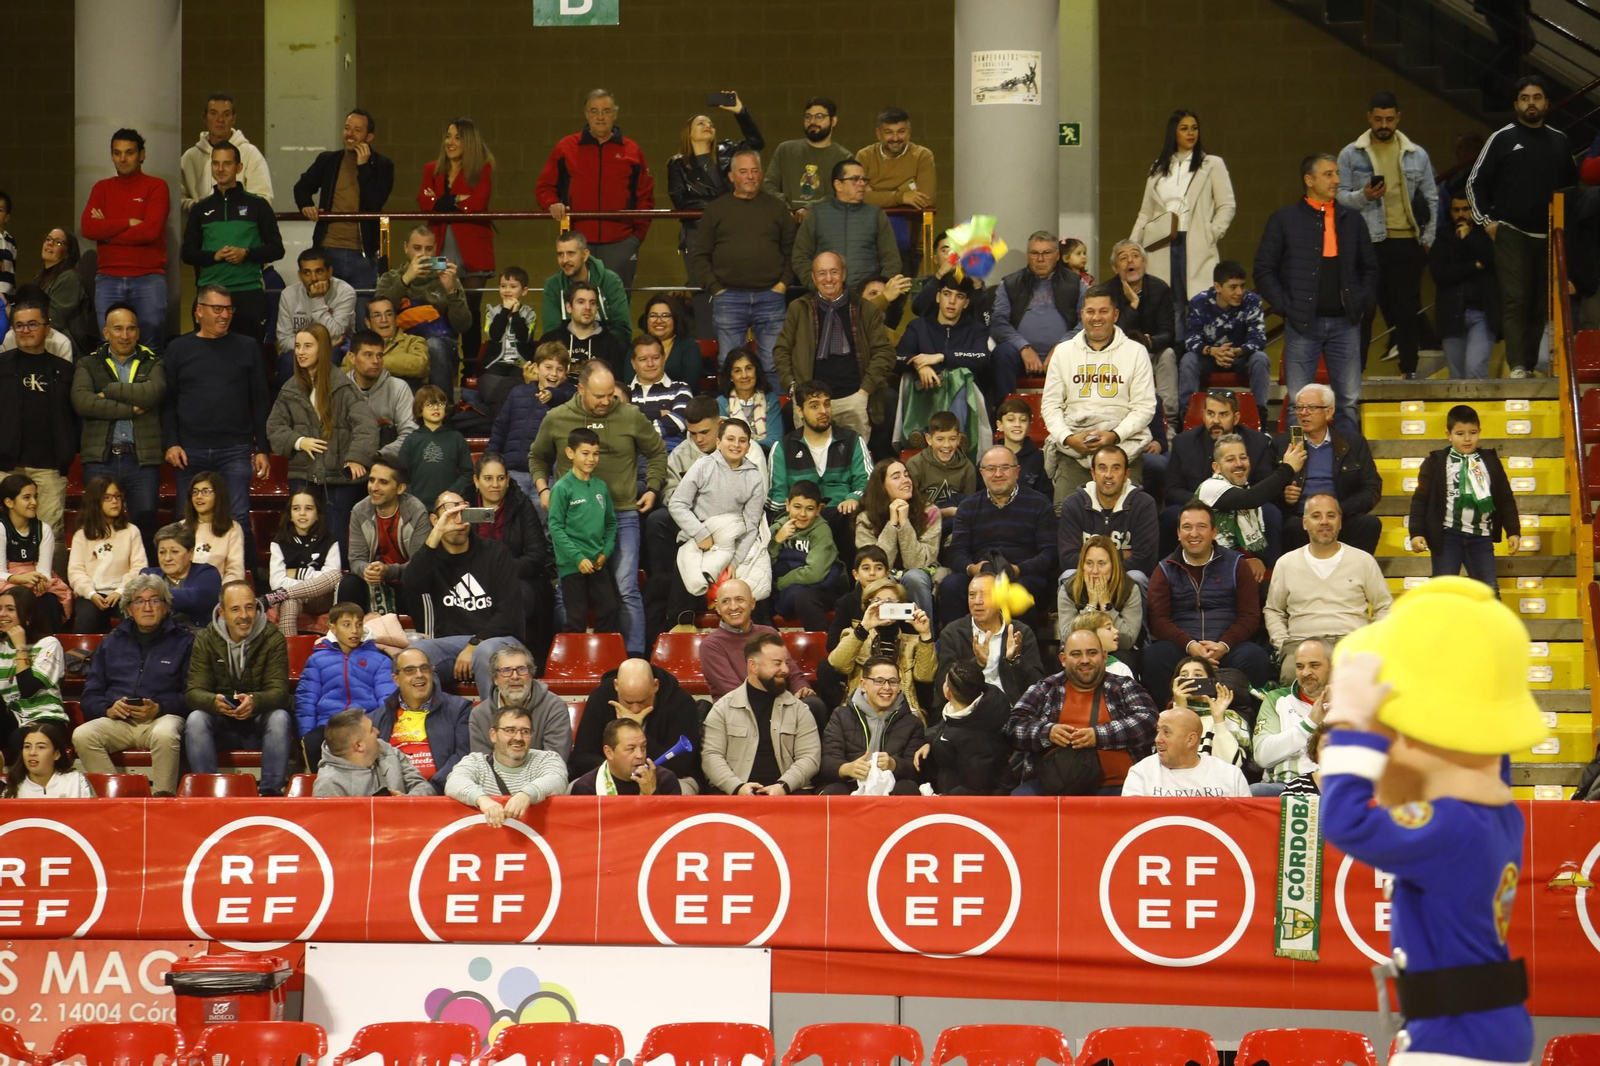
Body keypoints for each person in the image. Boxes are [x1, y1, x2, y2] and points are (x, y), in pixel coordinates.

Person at [1321, 580, 1543, 1066]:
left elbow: (1344, 822)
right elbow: (1481, 736)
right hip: (1487, 1028)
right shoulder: (1499, 816)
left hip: (1455, 1042)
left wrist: (1356, 727)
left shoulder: (1451, 828)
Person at [528, 361, 666, 656]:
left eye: (610, 396)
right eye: (599, 396)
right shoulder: (557, 417)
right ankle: (567, 656)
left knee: (626, 588)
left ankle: (634, 658)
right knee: (567, 589)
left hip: (623, 513)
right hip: (575, 519)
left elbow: (657, 451)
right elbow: (537, 457)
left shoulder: (630, 415)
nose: (606, 402)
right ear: (580, 389)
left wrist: (653, 488)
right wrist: (543, 488)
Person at [1254, 155, 1379, 433]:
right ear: (1309, 181)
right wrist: (1287, 307)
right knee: (1300, 404)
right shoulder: (1284, 220)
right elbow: (1263, 270)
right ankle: (1295, 468)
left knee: (1348, 402)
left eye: (1336, 174)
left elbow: (1369, 268)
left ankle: (1346, 467)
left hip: (1346, 324)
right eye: (1328, 174)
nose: (1337, 180)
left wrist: (1361, 302)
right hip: (1302, 325)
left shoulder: (1352, 220)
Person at [1466, 75, 1578, 378]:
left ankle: (1528, 365)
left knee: (1539, 304)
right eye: (1526, 98)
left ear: (1547, 104)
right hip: (1511, 232)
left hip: (1550, 234)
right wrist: (1487, 222)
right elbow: (1474, 182)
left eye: (1538, 97)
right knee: (1516, 298)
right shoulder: (1501, 138)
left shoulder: (1560, 140)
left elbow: (1573, 187)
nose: (1532, 103)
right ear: (1516, 104)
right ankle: (1517, 366)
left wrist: (1566, 229)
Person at [160, 283, 272, 569]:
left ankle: (249, 581)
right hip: (189, 448)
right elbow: (167, 401)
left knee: (239, 517)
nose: (225, 315)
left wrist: (262, 447)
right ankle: (183, 580)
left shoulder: (246, 346)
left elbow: (260, 400)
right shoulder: (178, 348)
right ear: (199, 311)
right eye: (217, 309)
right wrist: (171, 442)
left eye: (229, 309)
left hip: (235, 448)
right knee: (186, 521)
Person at [1337, 92, 1439, 378]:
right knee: (1363, 309)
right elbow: (1339, 197)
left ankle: (1409, 370)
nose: (1384, 125)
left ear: (1399, 118)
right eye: (1379, 119)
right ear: (1369, 117)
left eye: (1389, 119)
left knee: (1407, 310)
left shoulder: (1416, 155)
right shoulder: (1350, 154)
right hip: (1367, 241)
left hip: (1407, 240)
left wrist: (1427, 239)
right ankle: (1355, 372)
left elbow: (1431, 198)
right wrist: (1365, 195)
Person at [1143, 501, 1270, 708]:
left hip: (1227, 649)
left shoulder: (1237, 565)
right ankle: (1167, 715)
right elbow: (1158, 620)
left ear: (1213, 532)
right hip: (1183, 650)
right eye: (1187, 527)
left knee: (1255, 657)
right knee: (1155, 657)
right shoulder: (1164, 569)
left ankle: (1246, 718)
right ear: (1178, 533)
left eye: (1201, 526)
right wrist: (1190, 645)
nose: (1194, 533)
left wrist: (1223, 645)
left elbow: (1249, 615)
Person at [1006, 628, 1158, 796]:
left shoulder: (1124, 686)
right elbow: (1013, 726)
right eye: (1076, 654)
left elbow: (1149, 721)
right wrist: (1048, 732)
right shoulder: (1045, 689)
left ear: (1104, 656)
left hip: (1122, 787)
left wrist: (1098, 735)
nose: (1085, 660)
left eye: (1092, 653)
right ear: (1063, 659)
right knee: (1020, 798)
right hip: (1055, 788)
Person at [1041, 283, 1157, 500]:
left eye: (1103, 311)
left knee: (1130, 513)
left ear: (1115, 314)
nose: (1096, 318)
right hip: (1074, 449)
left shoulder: (1136, 352)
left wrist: (1114, 435)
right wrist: (1068, 438)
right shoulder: (1063, 352)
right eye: (1090, 311)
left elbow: (1144, 407)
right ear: (1081, 314)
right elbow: (1050, 406)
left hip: (1123, 448)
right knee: (1065, 513)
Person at [404, 492, 525, 700]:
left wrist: (475, 644)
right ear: (435, 519)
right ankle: (431, 723)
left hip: (497, 641)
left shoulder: (496, 552)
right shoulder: (430, 559)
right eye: (450, 512)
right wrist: (436, 533)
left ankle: (497, 723)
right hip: (451, 645)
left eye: (463, 510)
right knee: (416, 653)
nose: (459, 519)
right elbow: (411, 585)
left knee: (486, 651)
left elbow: (509, 613)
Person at [269, 323, 379, 547]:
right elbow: (274, 429)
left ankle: (335, 583)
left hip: (337, 478)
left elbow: (366, 426)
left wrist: (357, 457)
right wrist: (299, 442)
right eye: (298, 346)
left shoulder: (343, 388)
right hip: (303, 474)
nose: (300, 352)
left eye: (308, 346)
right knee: (301, 539)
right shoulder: (289, 389)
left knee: (335, 541)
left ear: (323, 350)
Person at [689, 151, 795, 382]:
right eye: (744, 171)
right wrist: (715, 288)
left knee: (774, 363)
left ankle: (775, 411)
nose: (750, 176)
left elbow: (792, 251)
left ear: (762, 174)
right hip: (729, 297)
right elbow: (699, 255)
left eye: (755, 171)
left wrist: (783, 284)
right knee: (729, 363)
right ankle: (730, 414)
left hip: (771, 296)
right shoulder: (716, 210)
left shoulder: (777, 208)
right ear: (731, 176)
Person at [1265, 494, 1393, 684]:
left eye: (1331, 516)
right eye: (1316, 516)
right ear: (1304, 522)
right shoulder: (1286, 563)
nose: (1324, 522)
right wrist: (1283, 643)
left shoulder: (1363, 561)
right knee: (1292, 673)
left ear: (1340, 522)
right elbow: (1273, 610)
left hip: (1351, 642)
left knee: (1366, 678)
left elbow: (1385, 606)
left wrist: (1370, 640)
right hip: (1302, 642)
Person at [774, 252, 898, 444]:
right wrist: (793, 388)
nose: (829, 278)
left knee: (855, 465)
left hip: (854, 398)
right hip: (810, 401)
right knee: (811, 462)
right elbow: (781, 350)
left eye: (834, 271)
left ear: (844, 274)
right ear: (814, 277)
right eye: (822, 273)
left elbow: (885, 353)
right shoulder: (799, 308)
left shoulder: (866, 309)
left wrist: (864, 392)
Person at [537, 88, 655, 290]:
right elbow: (544, 187)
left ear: (615, 114)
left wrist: (635, 239)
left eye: (606, 111)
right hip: (578, 242)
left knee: (617, 305)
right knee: (578, 304)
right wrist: (552, 203)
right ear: (586, 114)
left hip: (622, 242)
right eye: (594, 111)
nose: (600, 117)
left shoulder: (632, 151)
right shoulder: (566, 147)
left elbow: (646, 196)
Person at [182, 580, 293, 794]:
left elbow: (279, 691)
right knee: (196, 719)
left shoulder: (273, 638)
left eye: (249, 607)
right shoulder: (205, 639)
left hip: (259, 718)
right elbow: (194, 692)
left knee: (280, 717)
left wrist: (255, 701)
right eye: (235, 609)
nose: (244, 615)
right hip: (221, 719)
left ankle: (271, 794)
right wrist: (214, 702)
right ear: (222, 613)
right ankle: (208, 794)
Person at [70, 305, 161, 556]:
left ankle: (146, 588)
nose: (125, 335)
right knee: (98, 522)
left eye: (131, 328)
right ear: (106, 332)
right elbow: (83, 402)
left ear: (138, 332)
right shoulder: (87, 364)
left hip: (142, 458)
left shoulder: (153, 362)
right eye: (118, 329)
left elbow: (153, 393)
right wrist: (130, 409)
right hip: (101, 458)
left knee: (145, 521)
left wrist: (109, 391)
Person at [939, 446, 1057, 629]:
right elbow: (956, 552)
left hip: (1022, 574)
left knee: (1021, 591)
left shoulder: (1040, 504)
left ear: (1017, 471)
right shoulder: (968, 507)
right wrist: (974, 569)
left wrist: (1018, 569)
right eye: (991, 469)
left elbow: (1049, 553)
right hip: (981, 572)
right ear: (982, 473)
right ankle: (957, 651)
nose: (998, 474)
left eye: (1004, 467)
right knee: (951, 585)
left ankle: (1019, 654)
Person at [1408, 404, 1521, 591]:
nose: (1467, 439)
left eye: (1473, 432)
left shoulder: (1490, 461)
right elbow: (1420, 500)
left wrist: (1513, 531)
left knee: (1489, 591)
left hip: (1481, 536)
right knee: (1444, 591)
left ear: (1480, 432)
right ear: (1448, 434)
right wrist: (1416, 532)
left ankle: (1489, 622)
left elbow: (1505, 499)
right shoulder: (1435, 463)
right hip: (1447, 535)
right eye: (1460, 434)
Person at [1129, 109, 1237, 306]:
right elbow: (1145, 212)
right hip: (1162, 242)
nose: (1191, 133)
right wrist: (1132, 245)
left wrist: (1212, 233)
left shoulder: (1211, 164)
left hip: (1196, 240)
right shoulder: (1158, 167)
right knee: (1170, 304)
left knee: (1201, 303)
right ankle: (1174, 338)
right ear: (1174, 133)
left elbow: (1226, 204)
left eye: (1194, 128)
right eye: (1184, 128)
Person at [180, 140, 284, 342]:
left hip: (248, 294)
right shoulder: (200, 209)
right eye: (215, 163)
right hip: (210, 295)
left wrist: (246, 253)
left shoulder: (258, 205)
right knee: (209, 357)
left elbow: (276, 249)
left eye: (226, 163)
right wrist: (214, 256)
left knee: (250, 357)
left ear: (239, 168)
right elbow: (187, 253)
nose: (220, 169)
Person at [293, 109, 395, 305]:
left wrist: (363, 166)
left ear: (369, 137)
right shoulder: (328, 160)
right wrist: (306, 205)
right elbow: (302, 187)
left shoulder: (383, 165)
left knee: (362, 316)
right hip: (328, 250)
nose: (350, 134)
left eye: (357, 130)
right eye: (347, 128)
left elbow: (375, 202)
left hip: (363, 254)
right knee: (328, 313)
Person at [418, 117, 496, 369]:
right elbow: (424, 202)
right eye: (448, 136)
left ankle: (472, 372)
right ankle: (445, 369)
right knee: (442, 307)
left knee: (471, 309)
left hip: (473, 248)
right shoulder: (432, 169)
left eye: (457, 137)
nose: (450, 142)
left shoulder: (482, 167)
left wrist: (444, 201)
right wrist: (456, 200)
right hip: (440, 245)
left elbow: (478, 203)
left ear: (469, 142)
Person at [702, 632, 822, 795]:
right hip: (734, 794)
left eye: (786, 662)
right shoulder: (722, 709)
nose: (785, 670)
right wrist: (737, 787)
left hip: (789, 792)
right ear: (753, 666)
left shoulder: (799, 709)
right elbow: (711, 757)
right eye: (777, 663)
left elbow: (809, 757)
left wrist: (783, 786)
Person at [81, 129, 169, 348]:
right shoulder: (101, 188)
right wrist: (128, 222)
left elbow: (150, 231)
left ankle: (148, 385)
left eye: (129, 152)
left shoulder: (156, 186)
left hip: (148, 278)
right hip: (108, 278)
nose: (123, 158)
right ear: (111, 155)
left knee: (151, 347)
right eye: (117, 153)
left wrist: (108, 233)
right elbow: (88, 228)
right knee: (109, 347)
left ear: (142, 155)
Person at [463, 454, 552, 669]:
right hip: (471, 578)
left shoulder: (521, 505)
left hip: (518, 578)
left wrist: (500, 571)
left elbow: (537, 555)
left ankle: (519, 662)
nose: (495, 485)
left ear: (508, 479)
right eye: (488, 478)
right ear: (476, 481)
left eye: (500, 478)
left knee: (520, 597)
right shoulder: (464, 507)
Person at [0, 293, 76, 545]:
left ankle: (52, 586)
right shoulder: (1, 366)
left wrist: (65, 453)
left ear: (47, 328)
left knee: (49, 536)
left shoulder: (64, 371)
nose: (25, 330)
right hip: (5, 465)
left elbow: (73, 416)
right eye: (19, 325)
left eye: (33, 324)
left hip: (49, 467)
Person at [1274, 383, 1384, 555]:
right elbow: (1265, 488)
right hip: (1301, 520)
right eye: (1299, 407)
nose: (1303, 413)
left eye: (1311, 407)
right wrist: (1284, 496)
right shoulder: (1281, 444)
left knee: (1370, 523)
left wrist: (1339, 510)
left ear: (1329, 412)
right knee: (1292, 527)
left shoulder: (1354, 443)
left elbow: (1372, 488)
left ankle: (1353, 576)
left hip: (1342, 516)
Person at [767, 380, 872, 552]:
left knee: (855, 519)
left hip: (843, 517)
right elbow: (777, 497)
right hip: (801, 521)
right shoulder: (783, 448)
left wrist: (853, 497)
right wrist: (795, 516)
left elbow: (867, 482)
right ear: (799, 410)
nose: (823, 411)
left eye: (827, 404)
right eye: (814, 406)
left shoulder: (852, 440)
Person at [294, 601, 397, 771]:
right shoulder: (317, 660)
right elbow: (306, 701)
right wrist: (306, 734)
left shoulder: (380, 660)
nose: (354, 631)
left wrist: (376, 729)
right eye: (347, 625)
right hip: (329, 726)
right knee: (313, 741)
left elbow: (386, 701)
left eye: (358, 624)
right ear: (333, 628)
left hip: (364, 725)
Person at [570, 658, 701, 793]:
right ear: (616, 686)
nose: (635, 709)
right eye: (628, 702)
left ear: (655, 686)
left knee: (682, 792)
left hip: (669, 776)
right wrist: (619, 770)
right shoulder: (600, 698)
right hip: (611, 774)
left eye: (643, 701)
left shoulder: (681, 702)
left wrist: (635, 728)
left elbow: (680, 765)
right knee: (573, 788)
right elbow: (581, 757)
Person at [668, 418, 765, 598]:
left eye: (742, 441)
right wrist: (701, 533)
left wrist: (735, 561)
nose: (736, 445)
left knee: (755, 583)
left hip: (732, 543)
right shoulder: (703, 466)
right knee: (687, 578)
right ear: (719, 442)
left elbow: (751, 526)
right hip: (698, 540)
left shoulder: (754, 477)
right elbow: (677, 503)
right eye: (730, 439)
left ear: (749, 447)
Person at [989, 232, 1086, 409]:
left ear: (1057, 256)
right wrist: (1023, 347)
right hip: (1019, 354)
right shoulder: (1010, 283)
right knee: (1001, 354)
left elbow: (1085, 321)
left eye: (1047, 253)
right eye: (1035, 253)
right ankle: (1006, 415)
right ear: (1028, 256)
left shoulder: (1075, 283)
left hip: (1065, 352)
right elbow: (998, 322)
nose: (1040, 259)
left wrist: (1061, 346)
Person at [699, 580, 823, 714]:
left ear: (752, 603)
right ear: (717, 608)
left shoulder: (768, 632)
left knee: (812, 704)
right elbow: (732, 691)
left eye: (739, 599)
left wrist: (801, 689)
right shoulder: (711, 645)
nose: (733, 607)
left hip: (778, 704)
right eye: (725, 601)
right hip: (739, 712)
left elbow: (791, 672)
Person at [375, 226, 472, 396]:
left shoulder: (447, 278)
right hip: (400, 344)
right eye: (417, 248)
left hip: (441, 343)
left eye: (429, 249)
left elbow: (463, 325)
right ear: (406, 247)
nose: (423, 255)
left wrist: (451, 292)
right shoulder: (390, 278)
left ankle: (442, 411)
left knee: (434, 345)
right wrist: (406, 280)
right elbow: (379, 313)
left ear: (435, 249)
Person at [894, 273, 990, 446]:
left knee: (960, 376)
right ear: (938, 297)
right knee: (914, 377)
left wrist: (942, 357)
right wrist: (918, 364)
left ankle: (954, 434)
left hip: (963, 396)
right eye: (947, 294)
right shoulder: (918, 326)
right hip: (926, 391)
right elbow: (897, 358)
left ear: (966, 303)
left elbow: (982, 358)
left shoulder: (977, 329)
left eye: (959, 296)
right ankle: (927, 434)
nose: (952, 301)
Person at [668, 91, 764, 257]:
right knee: (699, 280)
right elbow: (680, 201)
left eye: (711, 124)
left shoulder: (727, 151)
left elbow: (757, 143)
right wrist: (723, 204)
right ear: (688, 133)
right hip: (697, 230)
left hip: (731, 227)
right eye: (701, 124)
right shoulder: (678, 164)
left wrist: (740, 112)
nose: (708, 126)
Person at [368, 646, 474, 793]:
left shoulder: (459, 709)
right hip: (392, 798)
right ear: (396, 679)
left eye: (424, 668)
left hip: (442, 796)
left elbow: (464, 757)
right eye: (409, 670)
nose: (419, 675)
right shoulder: (375, 720)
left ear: (431, 672)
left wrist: (428, 791)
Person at [447, 701, 569, 827]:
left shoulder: (547, 759)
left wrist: (526, 795)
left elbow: (557, 779)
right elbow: (454, 782)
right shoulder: (476, 762)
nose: (518, 737)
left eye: (525, 731)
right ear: (493, 735)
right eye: (510, 730)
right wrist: (482, 800)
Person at [548, 427, 621, 636]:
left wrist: (605, 553)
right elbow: (555, 527)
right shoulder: (562, 488)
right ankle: (575, 663)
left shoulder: (601, 487)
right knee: (576, 618)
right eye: (585, 453)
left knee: (609, 608)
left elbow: (611, 523)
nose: (591, 459)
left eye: (595, 453)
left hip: (598, 563)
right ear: (570, 453)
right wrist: (578, 558)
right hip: (573, 565)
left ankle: (602, 658)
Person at [1197, 432, 1305, 572]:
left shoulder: (1247, 491)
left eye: (1243, 457)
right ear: (1216, 467)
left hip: (1240, 565)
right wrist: (1287, 468)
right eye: (1230, 459)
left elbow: (1259, 542)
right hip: (1211, 566)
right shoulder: (1210, 487)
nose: (1239, 464)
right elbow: (1250, 499)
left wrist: (1259, 560)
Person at [826, 580, 936, 716]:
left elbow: (925, 677)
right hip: (860, 711)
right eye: (877, 601)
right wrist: (864, 627)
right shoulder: (853, 636)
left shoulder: (912, 642)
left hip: (903, 712)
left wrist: (925, 635)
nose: (884, 606)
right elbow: (838, 664)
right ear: (867, 606)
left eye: (890, 601)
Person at [818, 655, 925, 795]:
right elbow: (827, 763)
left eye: (893, 682)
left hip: (891, 788)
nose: (887, 688)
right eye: (879, 681)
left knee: (907, 788)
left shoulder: (912, 722)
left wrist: (894, 765)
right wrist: (847, 768)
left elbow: (916, 771)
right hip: (851, 786)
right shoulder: (840, 716)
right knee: (835, 791)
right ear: (863, 685)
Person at [1180, 261, 1273, 419]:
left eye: (1242, 286)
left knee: (1260, 358)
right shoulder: (1199, 302)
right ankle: (1187, 415)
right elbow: (1190, 339)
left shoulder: (1252, 301)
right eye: (1233, 287)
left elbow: (1258, 339)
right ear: (1218, 287)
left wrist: (1235, 351)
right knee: (1188, 360)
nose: (1239, 292)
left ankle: (1259, 415)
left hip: (1239, 357)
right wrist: (1213, 351)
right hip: (1209, 357)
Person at [1057, 444, 1160, 585]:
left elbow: (1145, 560)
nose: (1109, 475)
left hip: (1125, 577)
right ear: (1093, 474)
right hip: (1086, 577)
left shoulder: (1144, 504)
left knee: (1137, 577)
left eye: (1116, 468)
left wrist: (1092, 560)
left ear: (1126, 474)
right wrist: (1121, 554)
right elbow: (1067, 558)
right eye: (1102, 468)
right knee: (1068, 576)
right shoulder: (1074, 504)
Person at [791, 161, 900, 291]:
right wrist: (816, 285)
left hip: (868, 300)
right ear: (838, 185)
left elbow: (891, 259)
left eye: (864, 179)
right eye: (855, 179)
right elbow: (800, 257)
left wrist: (880, 289)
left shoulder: (876, 215)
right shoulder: (816, 215)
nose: (862, 184)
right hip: (825, 298)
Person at [340, 459, 429, 616]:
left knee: (418, 583)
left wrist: (389, 571)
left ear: (400, 488)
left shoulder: (416, 511)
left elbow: (420, 565)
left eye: (383, 482)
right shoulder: (359, 511)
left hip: (404, 578)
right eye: (372, 480)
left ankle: (423, 638)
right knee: (349, 583)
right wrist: (367, 570)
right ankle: (346, 636)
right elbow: (356, 560)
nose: (374, 487)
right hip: (373, 580)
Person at [854, 458, 940, 619]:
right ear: (881, 486)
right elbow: (875, 563)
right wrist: (892, 524)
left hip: (921, 574)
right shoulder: (865, 519)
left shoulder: (930, 512)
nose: (906, 480)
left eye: (906, 475)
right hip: (884, 574)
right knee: (878, 581)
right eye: (896, 477)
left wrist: (904, 523)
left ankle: (926, 638)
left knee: (914, 577)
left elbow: (917, 563)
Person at [1106, 241, 1179, 426]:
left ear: (1144, 263)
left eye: (1135, 256)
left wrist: (1150, 341)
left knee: (1168, 355)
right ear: (1116, 268)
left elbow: (1168, 333)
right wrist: (1133, 304)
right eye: (1123, 258)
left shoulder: (1160, 289)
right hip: (1119, 356)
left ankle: (1168, 422)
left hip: (1152, 350)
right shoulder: (1107, 292)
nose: (1130, 260)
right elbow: (1111, 334)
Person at [857, 107, 936, 277]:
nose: (895, 138)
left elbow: (924, 199)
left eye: (901, 132)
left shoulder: (922, 156)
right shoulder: (864, 156)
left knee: (902, 296)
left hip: (911, 244)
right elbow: (858, 195)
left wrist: (876, 193)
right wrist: (902, 194)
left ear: (909, 132)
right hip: (869, 242)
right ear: (878, 133)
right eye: (888, 132)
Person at [1430, 194, 1501, 380]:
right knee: (1457, 377)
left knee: (1475, 368)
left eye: (1465, 209)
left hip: (1482, 314)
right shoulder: (1443, 238)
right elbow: (1440, 274)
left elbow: (1491, 259)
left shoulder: (1486, 234)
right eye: (1456, 210)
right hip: (1451, 315)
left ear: (1473, 211)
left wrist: (1468, 239)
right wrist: (1474, 266)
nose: (1461, 214)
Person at [913, 659, 1010, 794]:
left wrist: (942, 799)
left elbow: (975, 788)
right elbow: (946, 727)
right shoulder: (963, 710)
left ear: (948, 693)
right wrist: (929, 742)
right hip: (949, 786)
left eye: (946, 681)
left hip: (970, 803)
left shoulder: (979, 737)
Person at [465, 643, 571, 759]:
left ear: (531, 674)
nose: (515, 676)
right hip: (494, 777)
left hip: (544, 776)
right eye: (506, 670)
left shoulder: (554, 707)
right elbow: (482, 766)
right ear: (495, 679)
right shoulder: (480, 714)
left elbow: (555, 762)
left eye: (522, 669)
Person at [67, 477, 147, 633]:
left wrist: (120, 591)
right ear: (96, 502)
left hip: (124, 593)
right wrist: (91, 593)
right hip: (91, 595)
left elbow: (139, 567)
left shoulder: (131, 531)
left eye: (117, 496)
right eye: (107, 497)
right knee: (87, 618)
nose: (114, 501)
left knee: (134, 617)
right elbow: (75, 571)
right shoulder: (82, 535)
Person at [1253, 637, 1332, 794]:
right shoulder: (1277, 698)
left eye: (1314, 665)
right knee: (1255, 792)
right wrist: (1309, 724)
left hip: (1336, 786)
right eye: (1299, 666)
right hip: (1285, 786)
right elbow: (1262, 756)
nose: (1305, 672)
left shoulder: (1352, 701)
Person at [490, 342, 570, 495]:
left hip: (547, 478)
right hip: (512, 473)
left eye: (559, 369)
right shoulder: (518, 392)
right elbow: (500, 430)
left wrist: (552, 395)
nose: (553, 373)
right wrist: (490, 462)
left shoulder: (569, 396)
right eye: (548, 367)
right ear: (536, 367)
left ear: (565, 374)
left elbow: (565, 396)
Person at [263, 490, 342, 638]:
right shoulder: (279, 542)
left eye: (309, 508)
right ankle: (289, 655)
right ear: (290, 516)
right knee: (289, 602)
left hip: (320, 598)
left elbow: (331, 577)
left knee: (336, 576)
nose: (302, 513)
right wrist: (310, 581)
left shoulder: (329, 540)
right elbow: (277, 583)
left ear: (317, 515)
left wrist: (297, 573)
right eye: (296, 508)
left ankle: (279, 596)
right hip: (293, 600)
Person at [1122, 707, 1251, 797]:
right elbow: (1132, 825)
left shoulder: (1230, 775)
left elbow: (1245, 825)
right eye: (1158, 731)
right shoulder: (1141, 774)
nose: (1157, 739)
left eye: (1166, 732)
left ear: (1191, 740)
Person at [539, 232, 632, 353]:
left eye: (571, 253)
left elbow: (622, 329)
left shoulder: (610, 280)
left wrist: (593, 346)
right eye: (560, 254)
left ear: (585, 254)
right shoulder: (553, 285)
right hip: (566, 350)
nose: (565, 260)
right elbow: (551, 332)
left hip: (605, 348)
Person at [0, 585, 65, 757]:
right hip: (12, 717)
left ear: (27, 615)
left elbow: (28, 689)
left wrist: (20, 647)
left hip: (45, 718)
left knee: (20, 739)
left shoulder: (49, 644)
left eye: (10, 609)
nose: (2, 614)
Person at [180, 92, 273, 213]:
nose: (220, 119)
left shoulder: (250, 154)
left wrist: (232, 209)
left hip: (241, 228)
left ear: (234, 119)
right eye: (214, 113)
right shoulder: (189, 157)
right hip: (202, 228)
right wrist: (196, 206)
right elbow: (177, 200)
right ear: (204, 117)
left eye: (226, 114)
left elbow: (264, 199)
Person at [311, 707, 435, 797]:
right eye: (371, 730)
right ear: (359, 746)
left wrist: (407, 801)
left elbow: (424, 787)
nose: (377, 731)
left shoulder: (387, 750)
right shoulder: (329, 785)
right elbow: (331, 829)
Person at [1, 475, 70, 632]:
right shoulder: (1, 528)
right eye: (27, 498)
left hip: (34, 579)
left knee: (49, 600)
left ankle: (49, 645)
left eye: (35, 497)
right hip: (6, 579)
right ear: (9, 502)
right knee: (17, 598)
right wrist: (19, 579)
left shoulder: (43, 529)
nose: (34, 502)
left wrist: (39, 580)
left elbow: (44, 572)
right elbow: (0, 571)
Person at [765, 97, 854, 217]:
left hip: (824, 225)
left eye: (819, 116)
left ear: (833, 121)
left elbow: (841, 194)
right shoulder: (785, 150)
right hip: (786, 224)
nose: (812, 121)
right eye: (808, 116)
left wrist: (811, 209)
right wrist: (785, 209)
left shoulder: (844, 157)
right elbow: (769, 186)